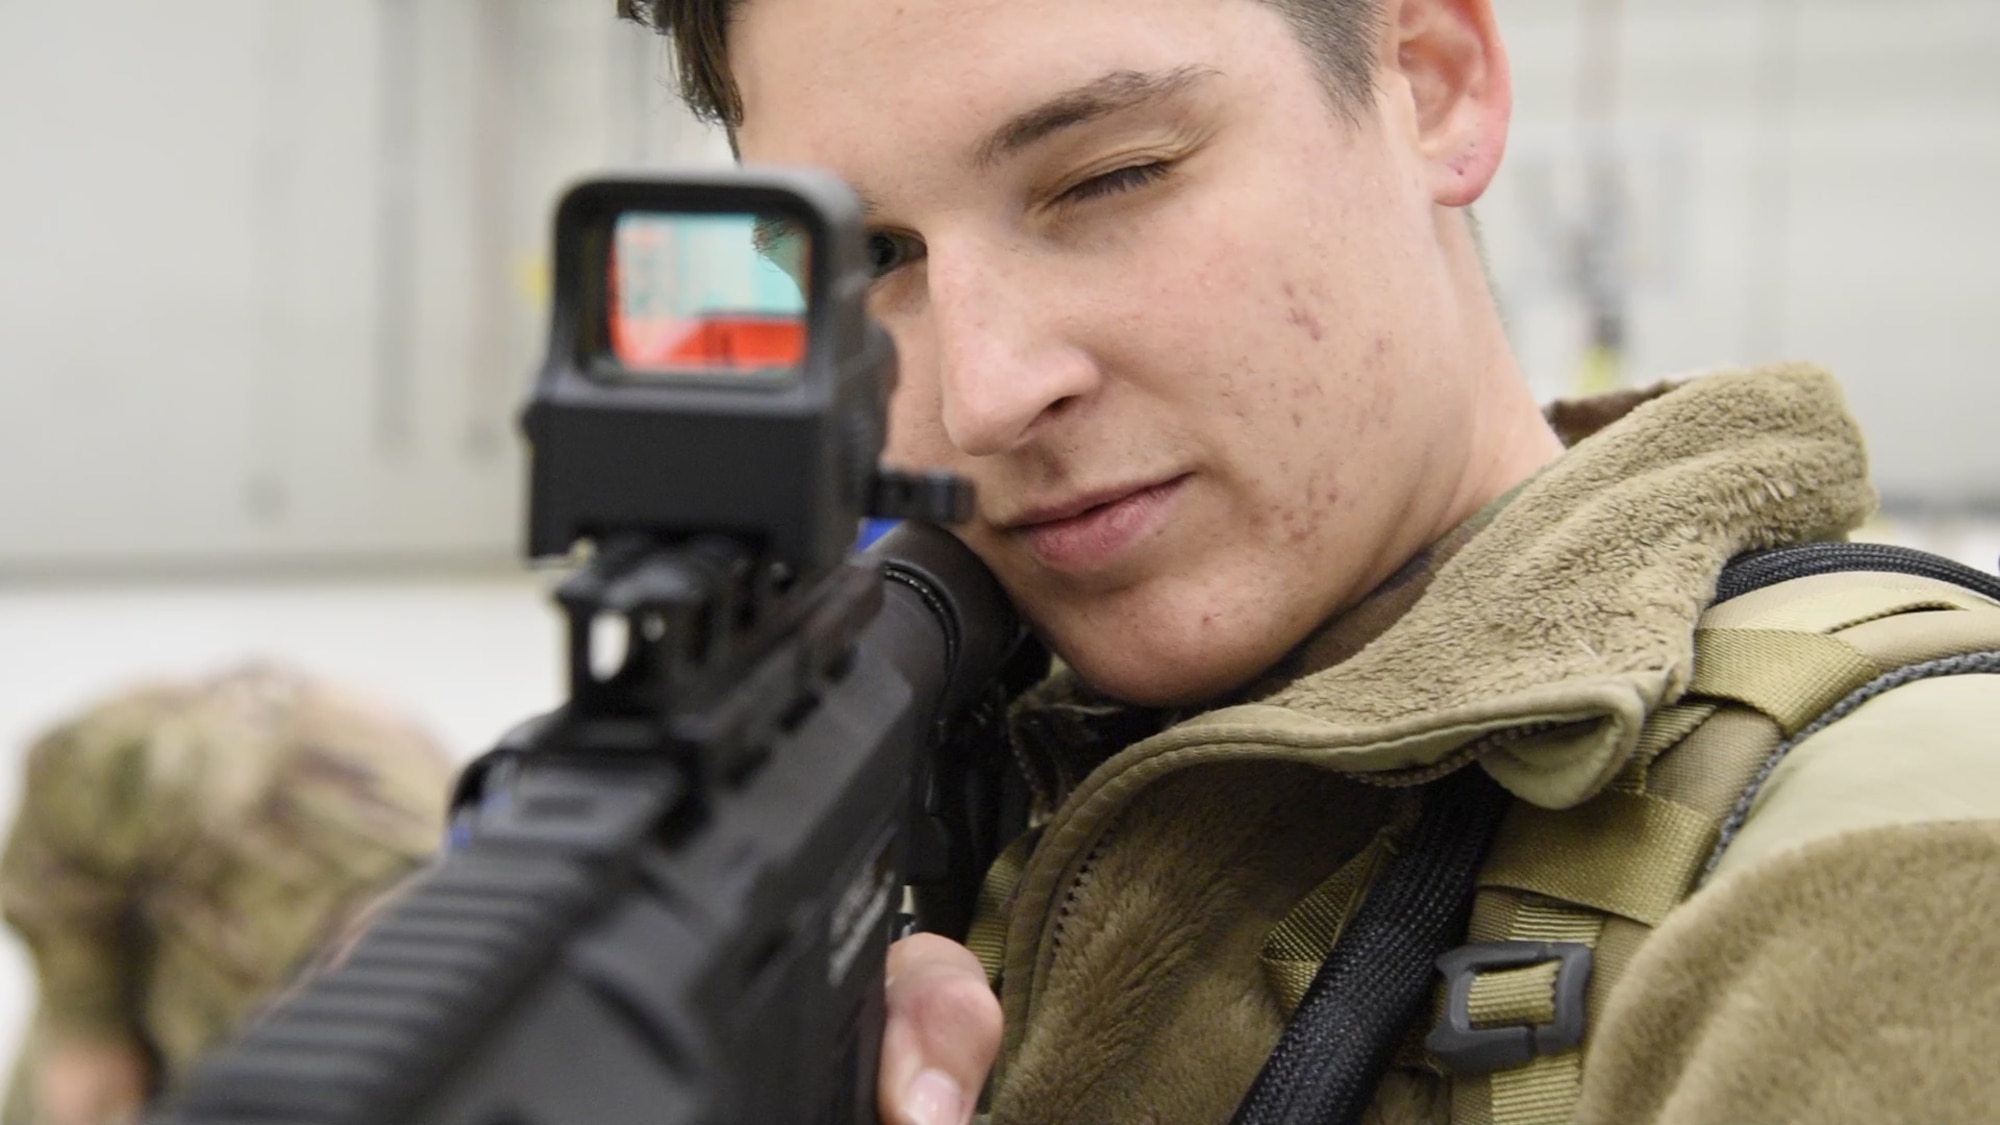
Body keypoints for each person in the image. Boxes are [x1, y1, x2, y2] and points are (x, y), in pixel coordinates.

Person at [618, 1, 2000, 1123]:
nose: (980, 393)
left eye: (1110, 176)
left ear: (1432, 85)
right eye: (870, 254)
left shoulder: (1888, 866)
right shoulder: (957, 767)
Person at [0, 664, 453, 1125]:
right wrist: (88, 1024)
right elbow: (76, 774)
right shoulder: (259, 785)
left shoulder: (455, 1031)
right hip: (117, 1058)